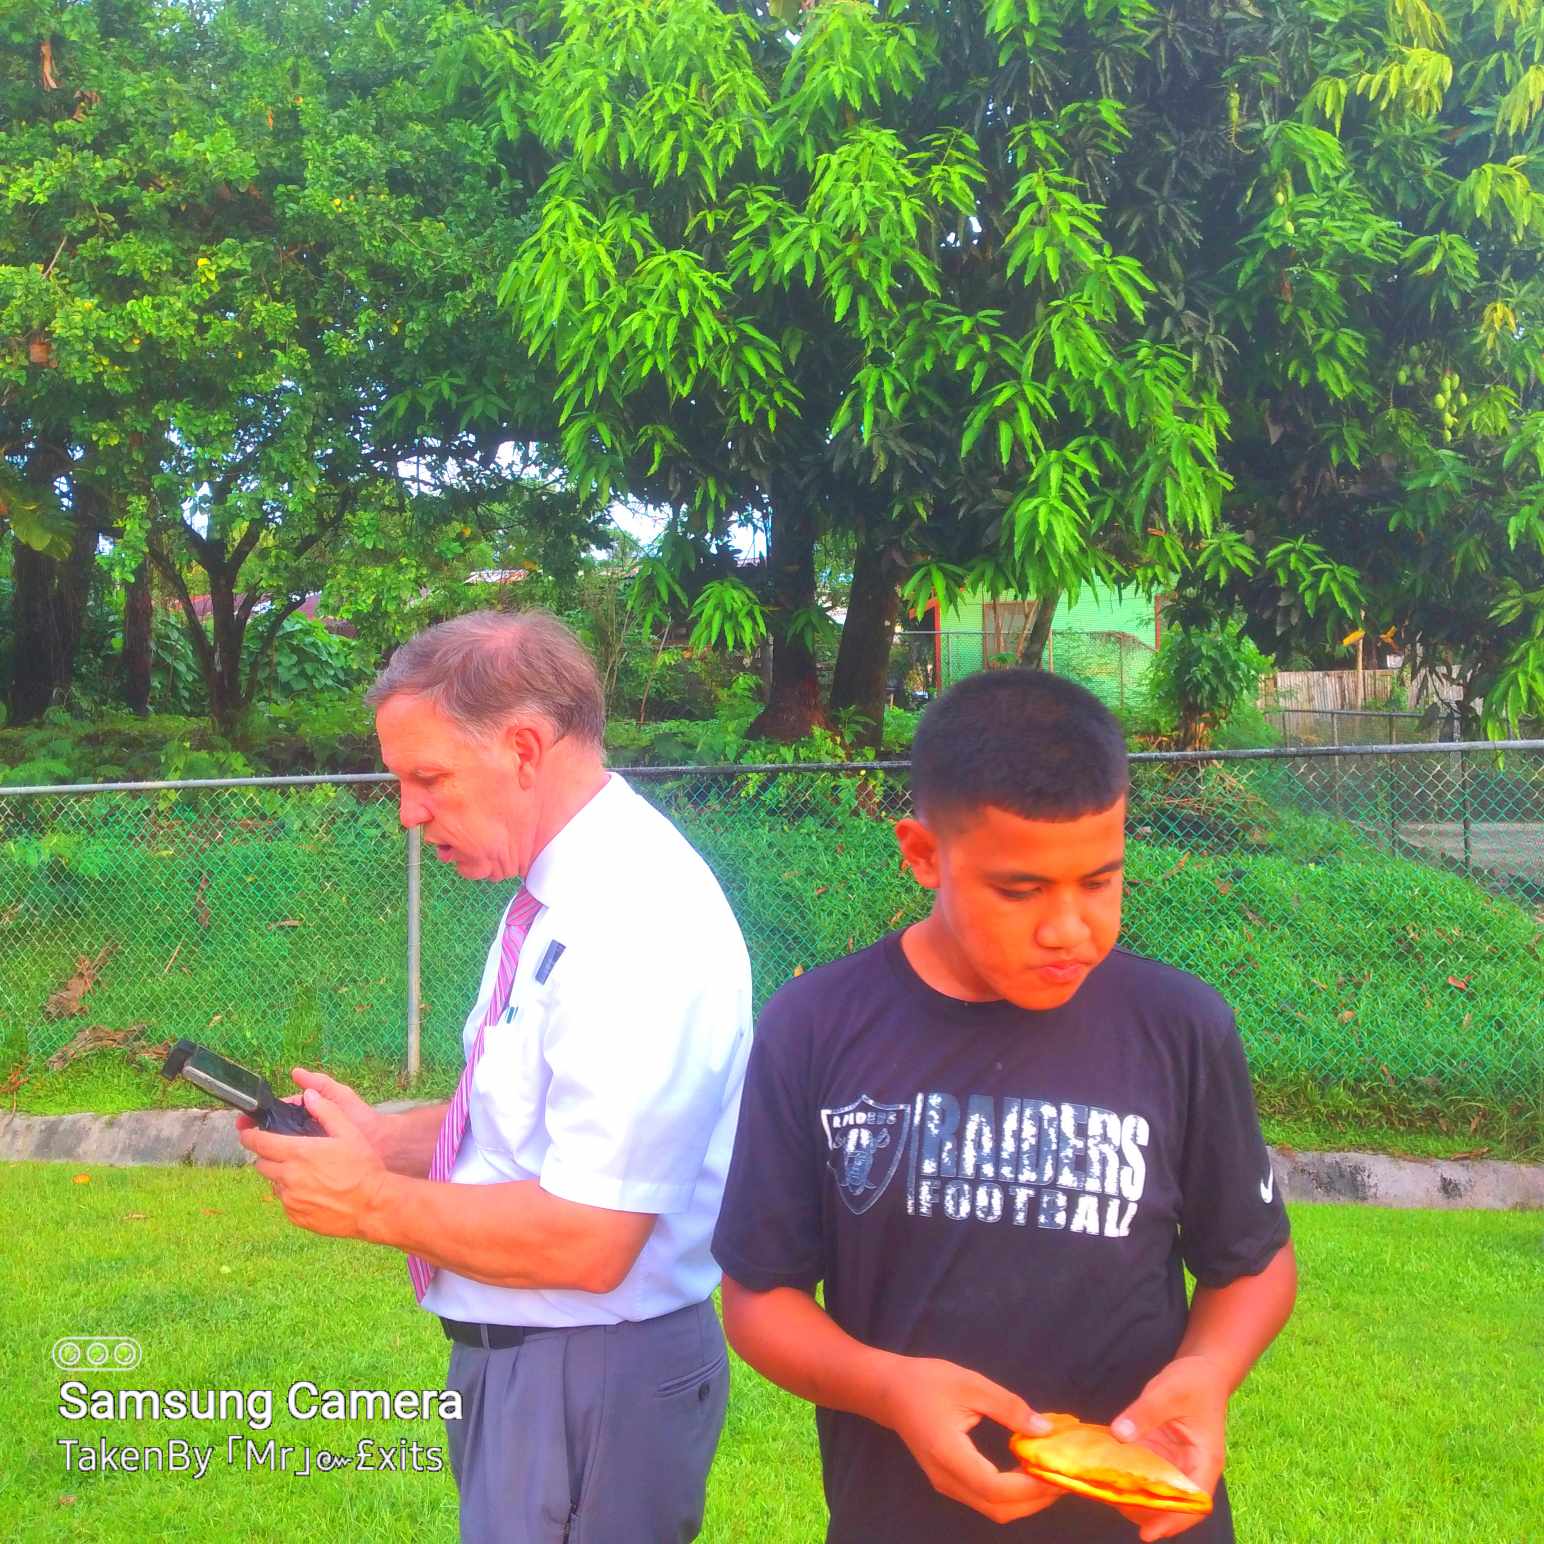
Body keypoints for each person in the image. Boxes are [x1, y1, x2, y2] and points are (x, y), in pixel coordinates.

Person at [711, 669, 1297, 1544]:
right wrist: (888, 1388)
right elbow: (760, 1299)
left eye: (1099, 881)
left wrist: (1209, 1371)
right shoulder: (816, 1028)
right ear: (924, 855)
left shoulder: (1180, 1027)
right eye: (1020, 891)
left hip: (1140, 1518)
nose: (1069, 929)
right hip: (902, 1519)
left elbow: (1251, 1263)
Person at [239, 609, 753, 1543]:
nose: (408, 812)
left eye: (427, 778)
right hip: (549, 1371)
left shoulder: (633, 922)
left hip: (587, 1375)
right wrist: (387, 1141)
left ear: (523, 749)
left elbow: (591, 1239)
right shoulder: (563, 894)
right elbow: (535, 1118)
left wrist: (368, 1201)